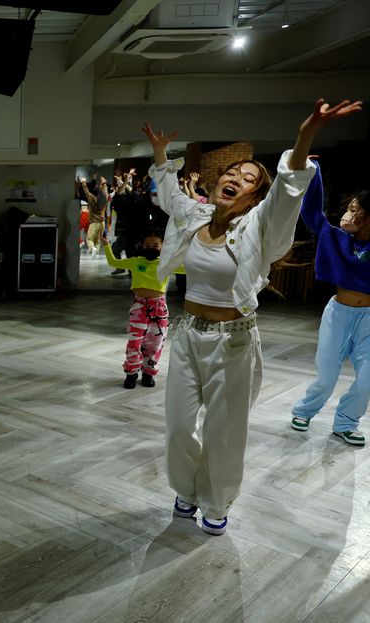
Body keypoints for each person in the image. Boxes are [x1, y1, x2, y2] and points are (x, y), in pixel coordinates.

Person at [144, 98, 362, 536]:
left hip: (233, 342)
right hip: (188, 335)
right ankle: (186, 489)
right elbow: (168, 194)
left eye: (247, 179)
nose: (235, 180)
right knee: (180, 427)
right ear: (216, 179)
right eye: (231, 173)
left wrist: (306, 135)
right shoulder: (197, 215)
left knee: (224, 432)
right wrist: (161, 154)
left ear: (255, 196)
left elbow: (287, 191)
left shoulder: (261, 226)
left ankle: (216, 499)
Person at [290, 164, 370, 445]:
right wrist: (315, 174)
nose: (347, 213)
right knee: (326, 375)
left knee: (367, 379)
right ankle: (304, 410)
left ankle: (346, 422)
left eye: (354, 209)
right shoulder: (337, 238)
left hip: (369, 320)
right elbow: (313, 212)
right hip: (338, 313)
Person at [103, 231, 184, 389]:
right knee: (134, 342)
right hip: (139, 308)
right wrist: (106, 244)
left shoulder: (167, 263)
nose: (151, 248)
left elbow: (190, 269)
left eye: (155, 245)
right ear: (142, 246)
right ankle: (131, 373)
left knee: (156, 343)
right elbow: (113, 262)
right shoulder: (136, 261)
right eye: (147, 245)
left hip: (159, 308)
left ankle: (148, 373)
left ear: (162, 247)